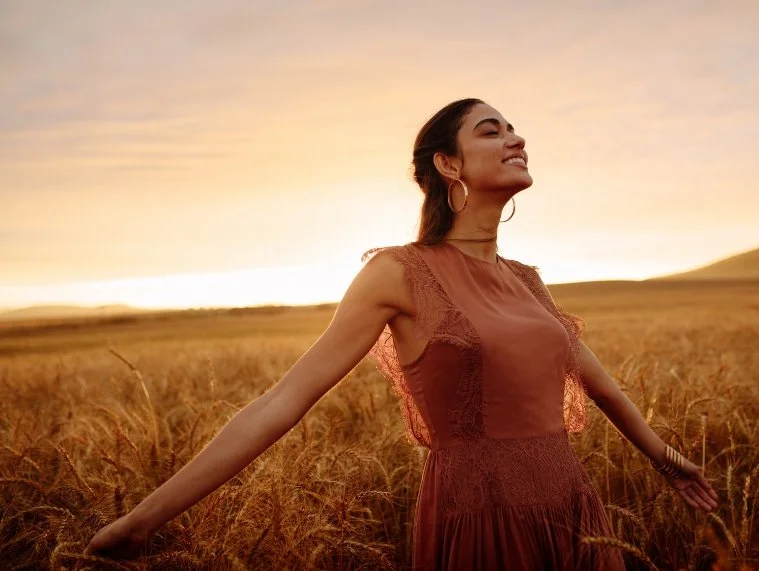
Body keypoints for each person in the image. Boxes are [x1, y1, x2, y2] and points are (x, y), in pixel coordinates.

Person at [86, 98, 720, 569]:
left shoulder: (527, 279)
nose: (516, 136)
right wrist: (145, 520)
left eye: (515, 127)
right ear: (448, 162)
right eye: (490, 130)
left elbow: (602, 388)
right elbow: (283, 402)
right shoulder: (398, 271)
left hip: (572, 511)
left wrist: (669, 463)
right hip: (481, 517)